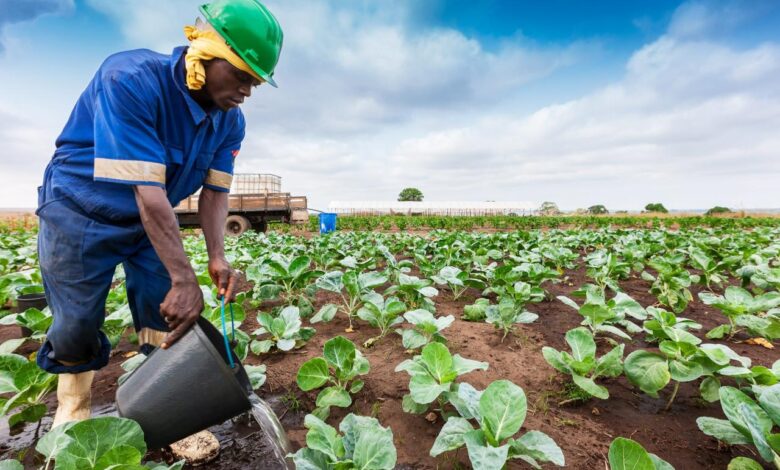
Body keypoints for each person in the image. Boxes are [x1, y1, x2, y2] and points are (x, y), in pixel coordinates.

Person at [34, 0, 283, 463]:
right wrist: (186, 278)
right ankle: (73, 411)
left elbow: (213, 194)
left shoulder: (231, 121)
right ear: (206, 53)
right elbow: (147, 193)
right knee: (75, 322)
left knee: (164, 305)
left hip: (153, 218)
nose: (248, 90)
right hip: (79, 211)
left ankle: (165, 403)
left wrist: (216, 257)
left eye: (256, 82)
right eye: (243, 75)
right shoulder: (129, 79)